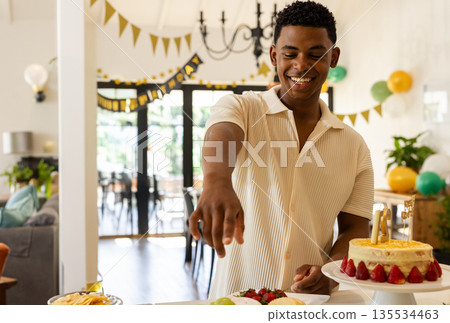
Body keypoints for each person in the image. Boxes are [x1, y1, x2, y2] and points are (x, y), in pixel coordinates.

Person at [190, 0, 374, 299]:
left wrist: (332, 273)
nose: (302, 65)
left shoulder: (354, 146)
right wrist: (217, 180)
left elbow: (355, 228)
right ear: (274, 55)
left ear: (334, 56)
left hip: (311, 304)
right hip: (234, 301)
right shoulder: (242, 108)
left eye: (316, 54)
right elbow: (222, 131)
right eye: (290, 54)